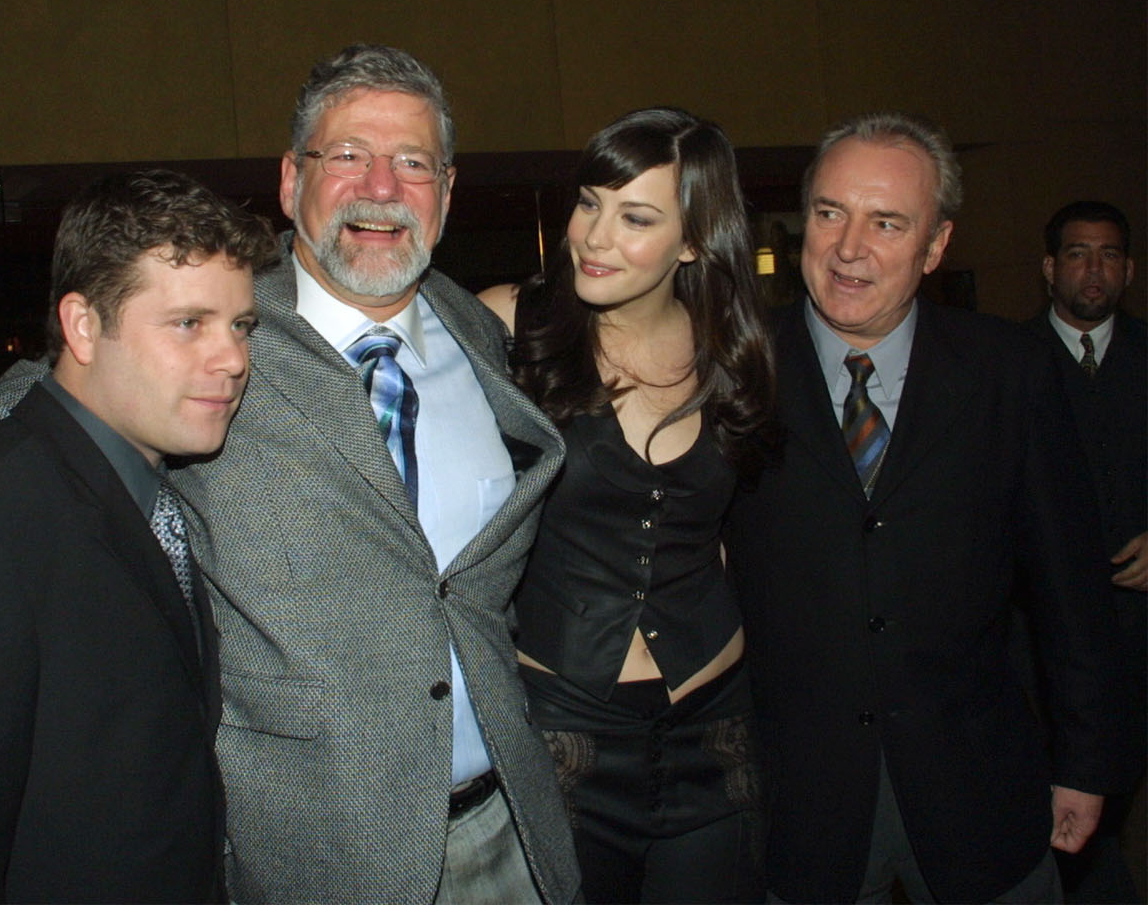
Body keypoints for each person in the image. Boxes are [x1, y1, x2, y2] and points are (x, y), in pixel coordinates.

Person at [0, 44, 580, 904]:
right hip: (312, 859)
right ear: (290, 181)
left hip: (509, 827)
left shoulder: (477, 330)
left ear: (449, 191)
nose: (381, 188)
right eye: (348, 156)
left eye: (413, 163)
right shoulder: (216, 326)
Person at [0, 169, 276, 902]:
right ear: (84, 325)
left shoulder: (151, 487)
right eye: (189, 323)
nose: (233, 359)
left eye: (241, 325)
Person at [720, 113, 1130, 903]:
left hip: (980, 790)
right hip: (796, 804)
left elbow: (1070, 587)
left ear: (936, 245)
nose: (848, 248)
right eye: (832, 213)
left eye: (887, 223)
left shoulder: (1009, 373)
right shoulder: (734, 371)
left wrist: (1086, 762)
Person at [479, 108, 776, 903]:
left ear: (692, 240)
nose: (594, 236)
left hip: (716, 727)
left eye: (635, 217)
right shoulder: (510, 325)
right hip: (564, 727)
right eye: (589, 203)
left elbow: (722, 533)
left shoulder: (735, 352)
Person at [1026, 199, 1145, 903]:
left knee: (1114, 790)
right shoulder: (1003, 365)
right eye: (1077, 253)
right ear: (1049, 268)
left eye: (1107, 255)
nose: (1092, 270)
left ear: (1127, 270)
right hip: (1035, 640)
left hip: (1135, 635)